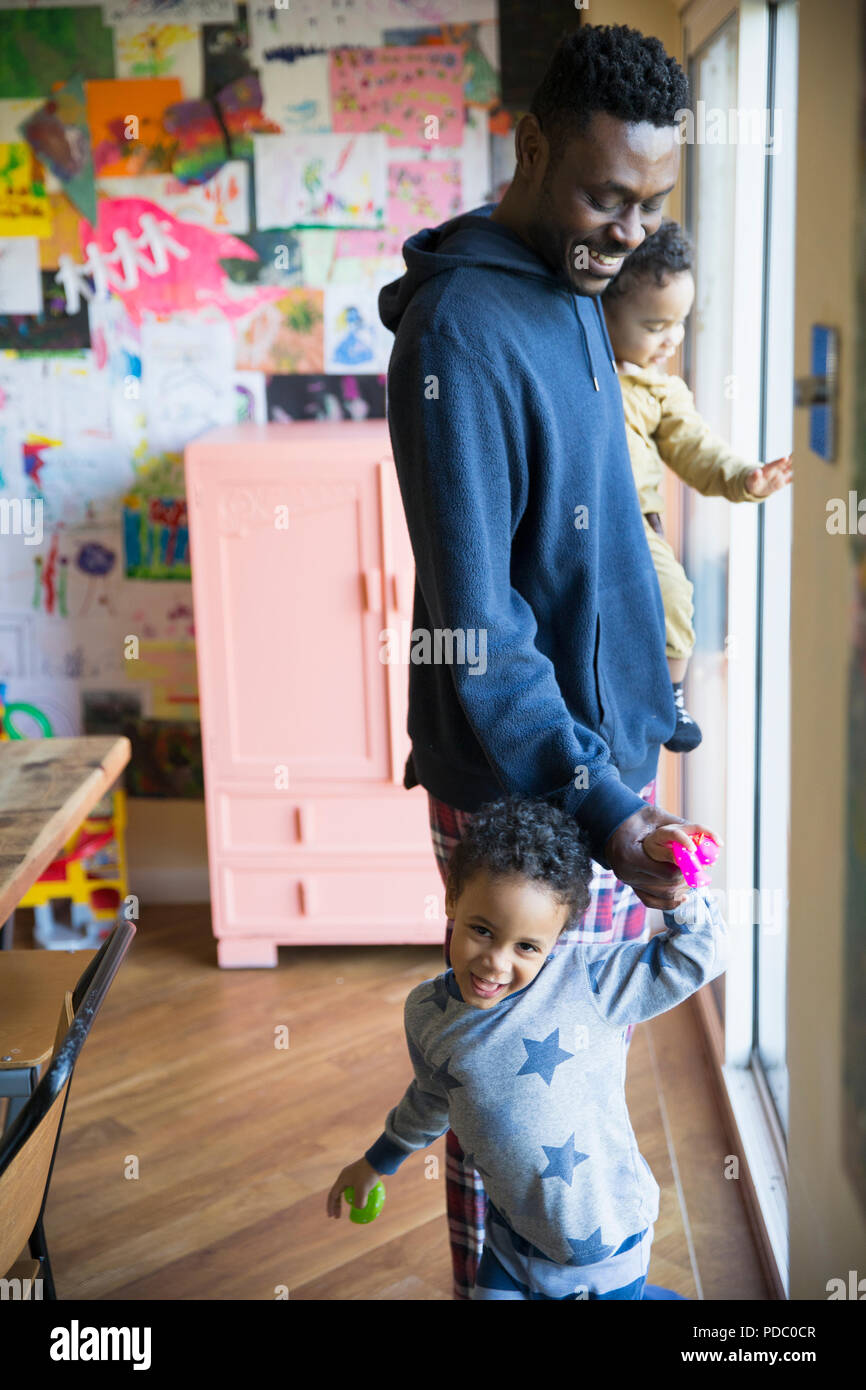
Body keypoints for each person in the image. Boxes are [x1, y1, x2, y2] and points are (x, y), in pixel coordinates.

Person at [378, 23, 706, 1299]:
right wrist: (608, 804)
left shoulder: (576, 284)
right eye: (602, 194)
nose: (626, 230)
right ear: (527, 146)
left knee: (575, 1076)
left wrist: (644, 719)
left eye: (650, 204)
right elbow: (480, 625)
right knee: (504, 1097)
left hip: (594, 764)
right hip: (525, 783)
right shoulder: (460, 330)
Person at [327, 798, 727, 1300]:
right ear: (451, 899)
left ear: (558, 938)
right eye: (481, 931)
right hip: (510, 1238)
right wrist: (379, 1159)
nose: (495, 963)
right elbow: (435, 1094)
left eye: (526, 947)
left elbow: (699, 956)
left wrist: (682, 892)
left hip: (606, 1246)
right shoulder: (427, 1012)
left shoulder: (589, 984)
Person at [602, 219, 794, 751]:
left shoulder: (661, 392)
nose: (673, 338)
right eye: (655, 324)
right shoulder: (579, 360)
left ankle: (672, 693)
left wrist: (743, 477)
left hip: (631, 524)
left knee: (673, 593)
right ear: (603, 309)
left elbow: (695, 447)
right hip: (569, 517)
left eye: (681, 322)